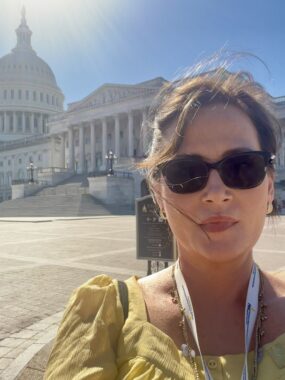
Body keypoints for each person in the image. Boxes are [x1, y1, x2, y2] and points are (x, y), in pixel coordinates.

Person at [44, 66, 285, 380]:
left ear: (269, 187)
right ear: (157, 195)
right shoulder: (106, 319)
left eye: (242, 166)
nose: (216, 194)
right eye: (186, 172)